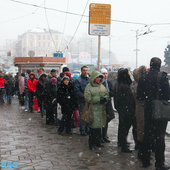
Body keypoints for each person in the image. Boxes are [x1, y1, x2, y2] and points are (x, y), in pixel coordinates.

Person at [137, 57, 170, 169]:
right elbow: (167, 95)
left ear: (150, 64)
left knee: (147, 135)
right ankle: (159, 163)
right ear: (159, 65)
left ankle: (146, 160)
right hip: (160, 110)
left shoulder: (143, 77)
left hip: (148, 109)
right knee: (160, 137)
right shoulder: (163, 77)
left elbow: (140, 96)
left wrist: (149, 98)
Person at [84, 70, 109, 150]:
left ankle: (98, 142)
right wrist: (98, 99)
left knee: (99, 128)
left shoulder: (102, 86)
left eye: (100, 78)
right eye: (97, 77)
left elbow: (107, 95)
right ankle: (92, 144)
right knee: (93, 129)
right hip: (93, 110)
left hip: (101, 110)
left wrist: (105, 99)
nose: (99, 79)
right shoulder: (89, 87)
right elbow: (88, 98)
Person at [113, 68, 137, 153]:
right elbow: (129, 101)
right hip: (127, 111)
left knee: (123, 128)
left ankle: (122, 143)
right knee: (125, 129)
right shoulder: (125, 86)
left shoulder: (119, 84)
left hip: (123, 110)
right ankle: (124, 146)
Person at [132, 65, 146, 159]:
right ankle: (142, 151)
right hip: (141, 110)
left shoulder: (135, 85)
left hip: (137, 109)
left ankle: (140, 147)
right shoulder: (139, 86)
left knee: (138, 128)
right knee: (141, 129)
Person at [74, 66, 90, 136]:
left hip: (89, 101)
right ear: (81, 71)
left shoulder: (89, 79)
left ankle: (87, 129)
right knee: (83, 116)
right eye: (84, 70)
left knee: (88, 115)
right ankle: (82, 130)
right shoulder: (78, 80)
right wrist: (84, 96)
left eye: (86, 70)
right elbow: (77, 91)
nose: (85, 72)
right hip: (82, 101)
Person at [101, 68, 115, 143]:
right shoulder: (100, 83)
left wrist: (109, 94)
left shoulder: (109, 82)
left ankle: (104, 135)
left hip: (108, 102)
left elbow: (112, 92)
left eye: (106, 74)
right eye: (103, 74)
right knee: (103, 120)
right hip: (102, 103)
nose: (105, 75)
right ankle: (102, 136)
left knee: (109, 117)